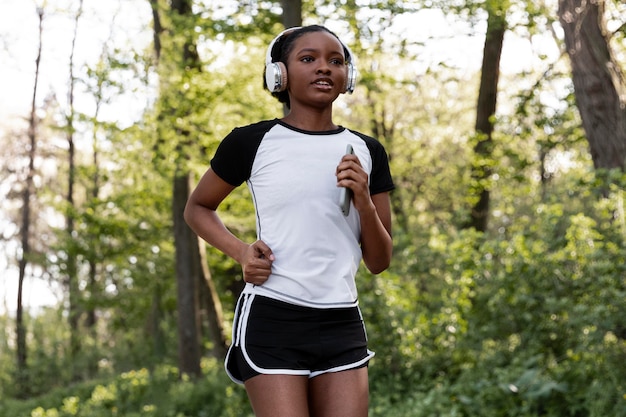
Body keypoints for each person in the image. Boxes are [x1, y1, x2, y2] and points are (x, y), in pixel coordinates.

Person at [184, 24, 394, 417]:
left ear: (347, 77)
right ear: (278, 74)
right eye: (308, 58)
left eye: (336, 61)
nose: (324, 68)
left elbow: (379, 262)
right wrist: (242, 251)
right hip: (273, 317)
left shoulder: (368, 151)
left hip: (342, 320)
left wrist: (363, 200)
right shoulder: (251, 141)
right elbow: (197, 208)